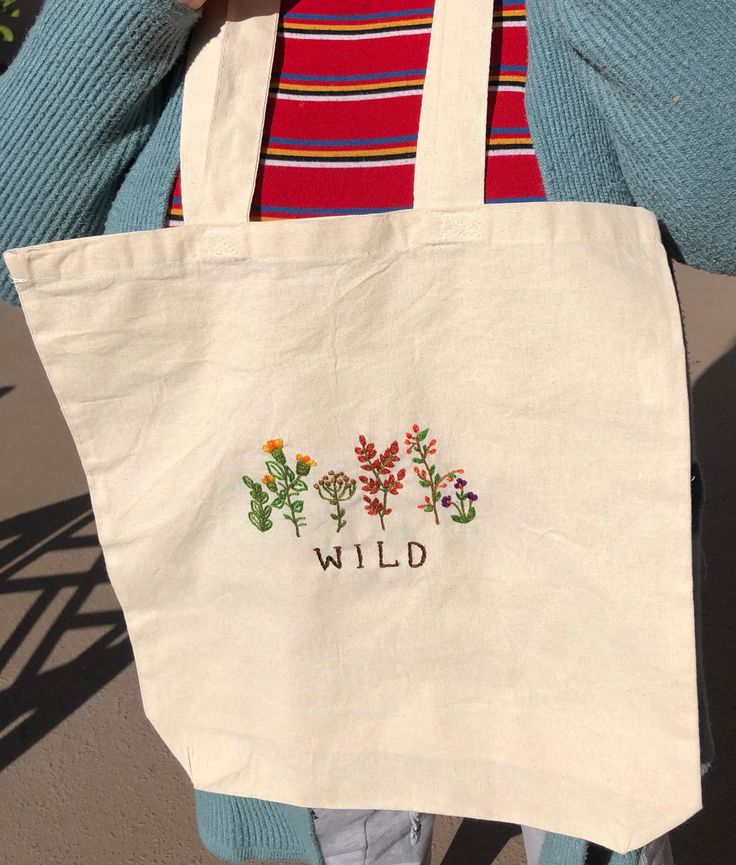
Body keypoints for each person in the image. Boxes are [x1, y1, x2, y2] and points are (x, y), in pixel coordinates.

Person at [0, 1, 722, 863]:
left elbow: (723, 208)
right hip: (281, 642)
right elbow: (14, 241)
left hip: (565, 594)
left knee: (590, 797)